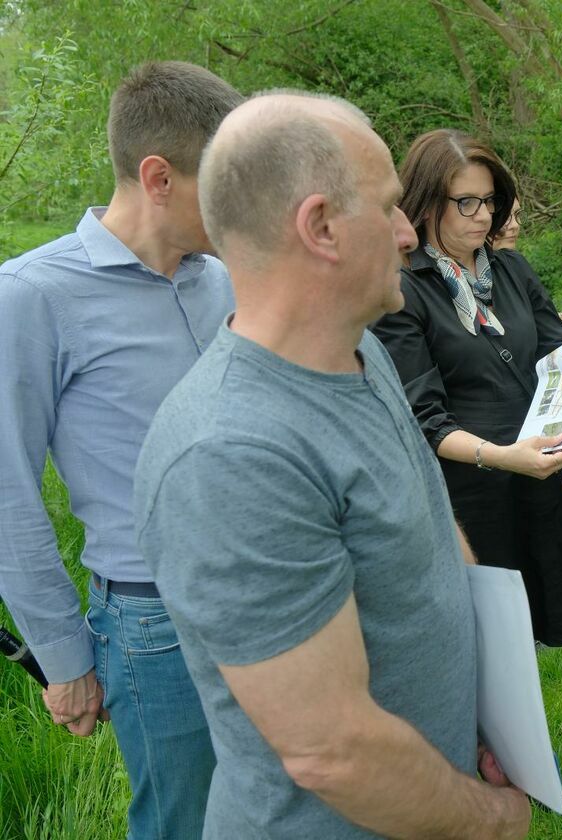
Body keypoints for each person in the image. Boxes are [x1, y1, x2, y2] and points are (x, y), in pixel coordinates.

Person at [132, 92, 530, 839]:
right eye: (388, 209)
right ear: (319, 227)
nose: (410, 234)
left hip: (427, 799)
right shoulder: (232, 456)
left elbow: (429, 519)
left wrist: (486, 709)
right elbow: (331, 750)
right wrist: (489, 822)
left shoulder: (361, 348)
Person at [0, 61, 241, 838]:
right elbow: (7, 490)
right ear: (158, 177)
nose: (244, 204)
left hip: (267, 597)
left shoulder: (228, 281)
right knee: (183, 823)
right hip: (153, 624)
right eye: (225, 180)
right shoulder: (33, 295)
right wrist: (64, 656)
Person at [372, 129, 562, 648]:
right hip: (468, 498)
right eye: (467, 202)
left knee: (530, 641)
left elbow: (559, 358)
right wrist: (500, 456)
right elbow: (422, 421)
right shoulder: (405, 289)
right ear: (427, 202)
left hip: (534, 476)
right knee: (479, 649)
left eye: (490, 200)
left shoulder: (512, 270)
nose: (483, 215)